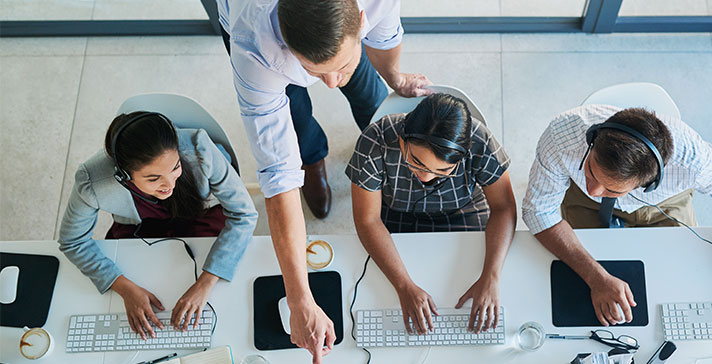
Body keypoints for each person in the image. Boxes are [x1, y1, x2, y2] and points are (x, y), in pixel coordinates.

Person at [215, 0, 432, 359]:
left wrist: (395, 77)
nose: (331, 84)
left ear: (362, 18)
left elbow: (384, 35)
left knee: (368, 89)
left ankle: (359, 88)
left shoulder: (375, 4)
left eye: (340, 66)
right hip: (261, 38)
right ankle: (313, 159)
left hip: (333, 42)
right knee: (296, 113)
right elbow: (279, 177)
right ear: (285, 42)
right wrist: (300, 300)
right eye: (316, 72)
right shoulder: (253, 44)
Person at [522, 105, 712, 332]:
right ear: (592, 141)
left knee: (679, 281)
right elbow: (539, 212)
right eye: (591, 170)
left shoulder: (694, 161)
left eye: (611, 188)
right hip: (581, 202)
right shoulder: (562, 137)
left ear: (648, 182)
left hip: (664, 204)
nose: (595, 189)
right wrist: (596, 277)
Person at [58, 112, 258, 340]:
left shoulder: (199, 147)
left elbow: (244, 214)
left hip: (199, 216)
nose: (169, 184)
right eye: (153, 179)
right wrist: (123, 287)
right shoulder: (91, 180)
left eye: (175, 167)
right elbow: (73, 241)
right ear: (124, 175)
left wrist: (206, 282)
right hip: (141, 226)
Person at [347, 93, 516, 335]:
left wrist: (492, 276)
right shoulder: (375, 140)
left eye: (443, 170)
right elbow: (367, 219)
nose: (426, 177)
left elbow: (504, 207)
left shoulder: (480, 140)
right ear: (403, 141)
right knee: (382, 293)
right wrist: (404, 286)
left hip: (463, 210)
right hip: (397, 213)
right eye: (416, 162)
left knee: (465, 280)